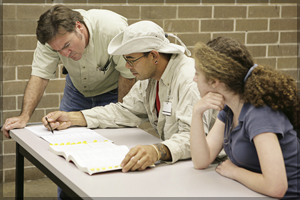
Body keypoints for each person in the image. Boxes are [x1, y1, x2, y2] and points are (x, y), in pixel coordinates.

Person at [42, 20, 216, 173]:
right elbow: (124, 111)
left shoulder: (189, 79)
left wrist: (156, 151)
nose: (127, 66)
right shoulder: (149, 78)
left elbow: (191, 139)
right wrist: (73, 117)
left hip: (210, 170)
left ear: (154, 56)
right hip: (183, 167)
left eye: (131, 59)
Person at [1, 5, 136, 138]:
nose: (65, 54)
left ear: (79, 27)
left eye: (67, 45)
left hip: (113, 93)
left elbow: (127, 75)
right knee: (66, 140)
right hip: (76, 92)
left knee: (115, 140)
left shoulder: (113, 30)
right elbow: (40, 76)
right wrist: (24, 116)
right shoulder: (50, 40)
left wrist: (121, 116)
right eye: (58, 51)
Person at [190, 37, 300, 199]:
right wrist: (197, 113)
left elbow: (277, 187)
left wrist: (235, 172)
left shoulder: (260, 114)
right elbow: (201, 161)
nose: (194, 78)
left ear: (214, 81)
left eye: (197, 73)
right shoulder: (229, 108)